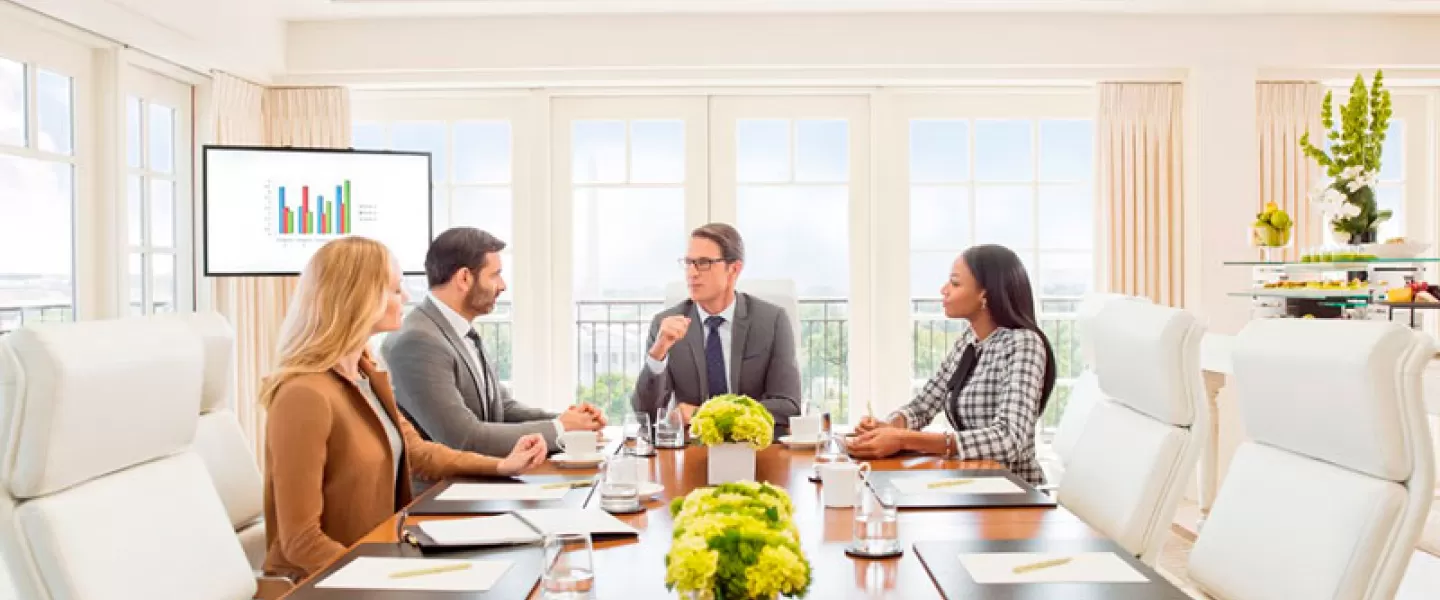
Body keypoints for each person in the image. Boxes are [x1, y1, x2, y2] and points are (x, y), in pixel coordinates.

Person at [261, 236, 548, 581]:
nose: (407, 298)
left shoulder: (366, 375)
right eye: (396, 290)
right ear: (359, 298)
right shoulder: (304, 395)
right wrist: (391, 578)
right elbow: (301, 542)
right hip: (326, 583)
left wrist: (503, 465)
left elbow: (418, 452)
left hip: (374, 560)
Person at [382, 227, 605, 457]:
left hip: (481, 481)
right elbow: (464, 438)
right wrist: (560, 428)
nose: (503, 285)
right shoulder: (418, 341)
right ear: (464, 278)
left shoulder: (459, 330)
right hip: (443, 489)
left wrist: (571, 421)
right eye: (495, 274)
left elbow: (501, 408)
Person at [847, 244, 1056, 485]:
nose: (944, 290)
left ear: (984, 294)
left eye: (955, 284)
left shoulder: (1023, 344)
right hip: (973, 483)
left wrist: (904, 439)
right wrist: (888, 426)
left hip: (1014, 491)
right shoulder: (968, 341)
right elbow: (923, 406)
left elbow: (1009, 439)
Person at [631, 222, 801, 427]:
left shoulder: (771, 321)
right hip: (692, 452)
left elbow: (788, 407)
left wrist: (704, 414)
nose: (692, 273)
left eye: (703, 263)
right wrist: (657, 353)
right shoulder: (665, 325)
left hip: (755, 450)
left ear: (734, 269)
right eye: (688, 262)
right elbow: (646, 415)